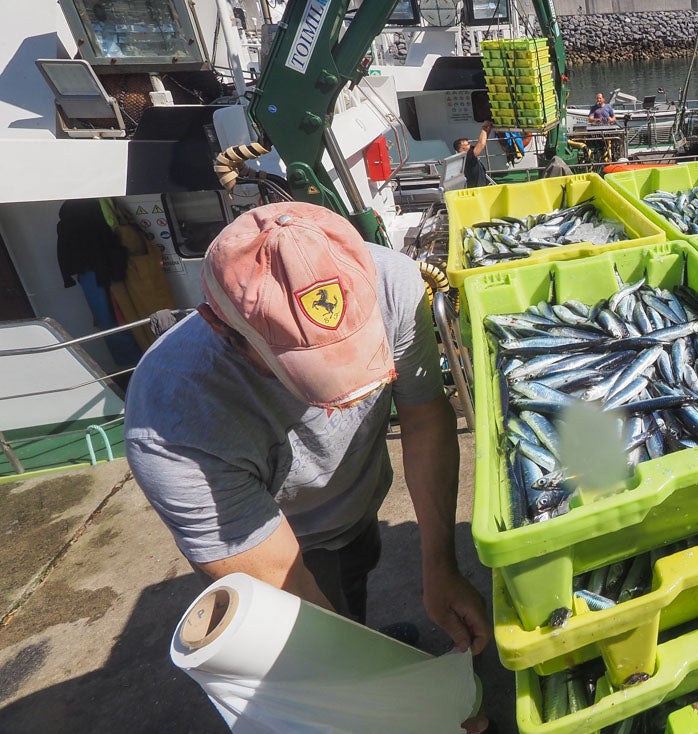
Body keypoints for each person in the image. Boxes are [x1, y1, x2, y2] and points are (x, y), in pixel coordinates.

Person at [125, 203, 491, 731]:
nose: (340, 402)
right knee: (331, 649)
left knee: (357, 571)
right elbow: (288, 586)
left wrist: (441, 567)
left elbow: (425, 419)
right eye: (313, 372)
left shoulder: (390, 278)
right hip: (288, 544)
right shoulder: (173, 423)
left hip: (358, 502)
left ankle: (376, 637)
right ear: (223, 329)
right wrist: (412, 706)